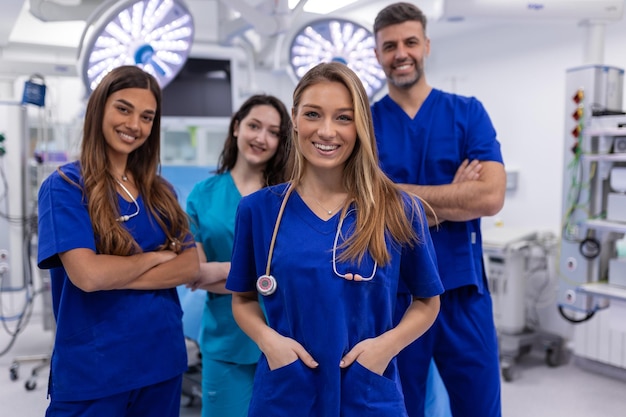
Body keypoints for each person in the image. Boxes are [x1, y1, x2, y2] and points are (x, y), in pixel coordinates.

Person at [225, 62, 443, 417]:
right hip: (287, 392)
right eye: (313, 114)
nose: (327, 131)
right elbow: (243, 300)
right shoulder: (259, 211)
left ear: (360, 126)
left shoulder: (399, 209)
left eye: (344, 117)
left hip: (367, 392)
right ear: (294, 118)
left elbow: (427, 302)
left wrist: (384, 349)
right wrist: (270, 343)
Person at [37, 65, 200, 417]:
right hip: (95, 369)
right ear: (99, 109)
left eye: (147, 116)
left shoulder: (160, 191)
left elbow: (189, 265)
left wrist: (115, 271)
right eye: (123, 109)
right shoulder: (66, 186)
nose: (134, 125)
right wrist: (153, 258)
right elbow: (88, 276)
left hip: (161, 360)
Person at [370, 3, 507, 417]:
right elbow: (367, 205)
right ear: (378, 54)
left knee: (480, 408)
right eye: (389, 45)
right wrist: (453, 196)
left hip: (462, 291)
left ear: (426, 45)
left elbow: (489, 197)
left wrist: (399, 197)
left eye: (410, 41)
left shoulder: (467, 113)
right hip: (394, 294)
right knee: (397, 408)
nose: (401, 53)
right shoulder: (365, 125)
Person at [185, 94, 292, 417]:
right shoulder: (202, 195)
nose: (261, 138)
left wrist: (220, 270)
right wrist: (259, 275)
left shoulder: (289, 197)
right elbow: (195, 274)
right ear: (236, 128)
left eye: (273, 132)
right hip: (226, 341)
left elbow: (293, 273)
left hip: (285, 336)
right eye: (254, 126)